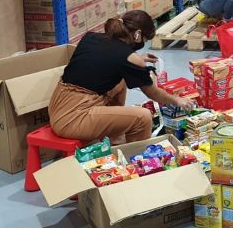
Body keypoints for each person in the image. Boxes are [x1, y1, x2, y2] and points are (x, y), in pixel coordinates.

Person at [49, 11, 195, 145]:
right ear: (137, 34)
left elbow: (104, 60)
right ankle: (135, 158)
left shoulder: (91, 37)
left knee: (122, 80)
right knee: (143, 118)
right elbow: (154, 94)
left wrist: (137, 60)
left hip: (59, 104)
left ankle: (116, 137)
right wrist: (177, 100)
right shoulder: (128, 58)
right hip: (73, 118)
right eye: (144, 39)